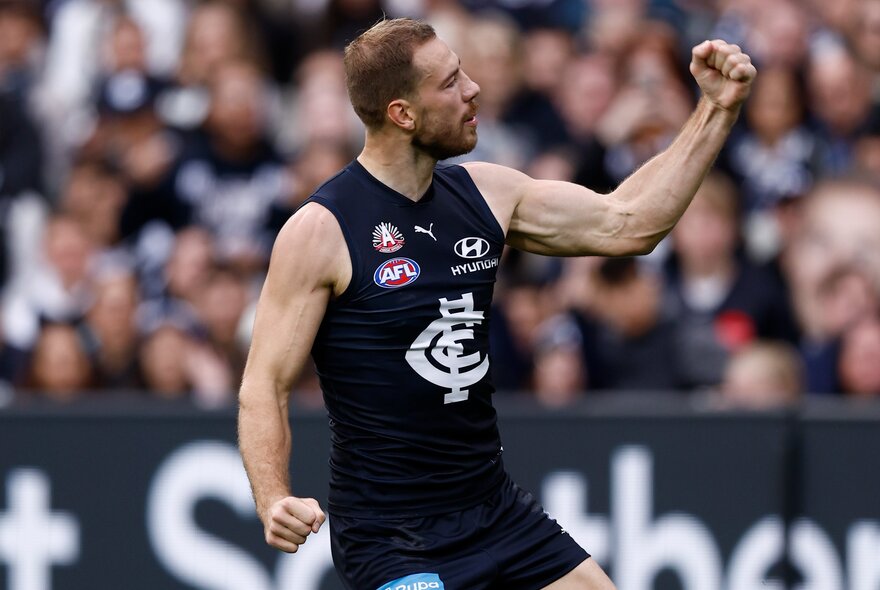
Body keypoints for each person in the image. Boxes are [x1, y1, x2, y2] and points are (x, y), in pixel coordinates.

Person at [237, 18, 756, 590]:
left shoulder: (486, 193)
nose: (473, 90)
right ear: (403, 114)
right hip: (392, 540)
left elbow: (630, 224)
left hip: (496, 513)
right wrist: (273, 497)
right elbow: (264, 384)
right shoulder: (321, 230)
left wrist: (716, 110)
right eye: (450, 82)